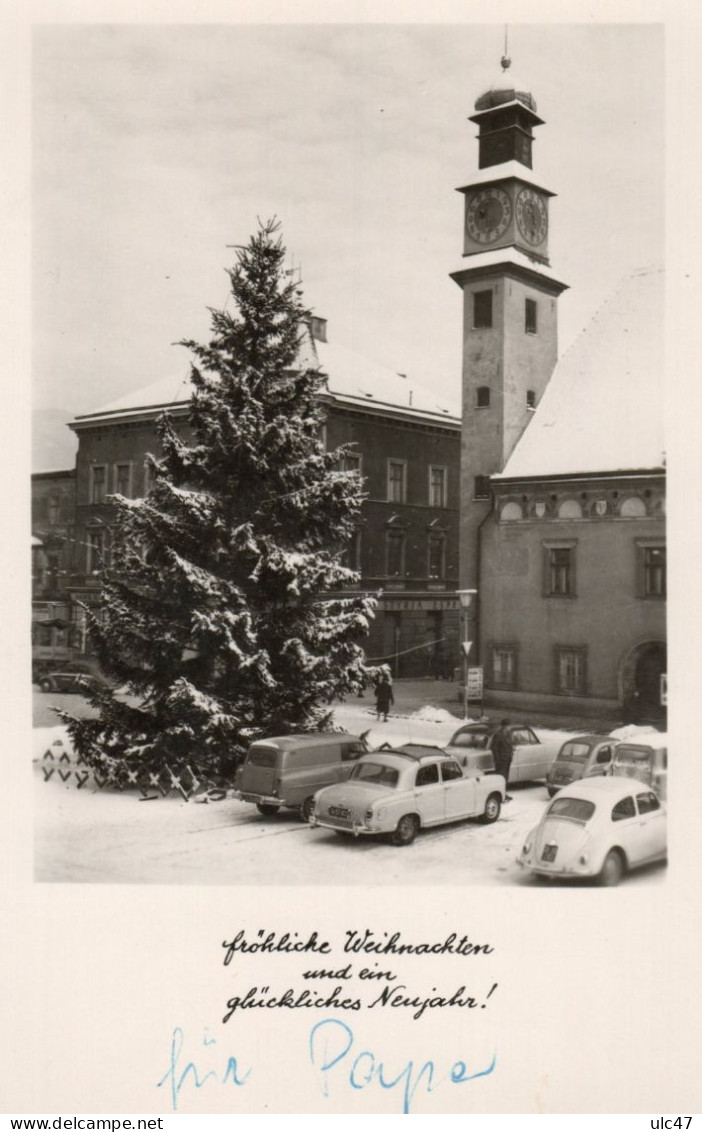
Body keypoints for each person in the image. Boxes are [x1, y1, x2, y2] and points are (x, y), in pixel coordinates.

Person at [491, 718, 514, 801]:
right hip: (501, 760)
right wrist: (497, 759)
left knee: (505, 777)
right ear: (504, 726)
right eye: (508, 726)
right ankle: (500, 794)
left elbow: (510, 745)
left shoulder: (508, 734)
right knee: (501, 778)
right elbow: (494, 748)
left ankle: (504, 793)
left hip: (508, 759)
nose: (509, 728)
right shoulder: (498, 735)